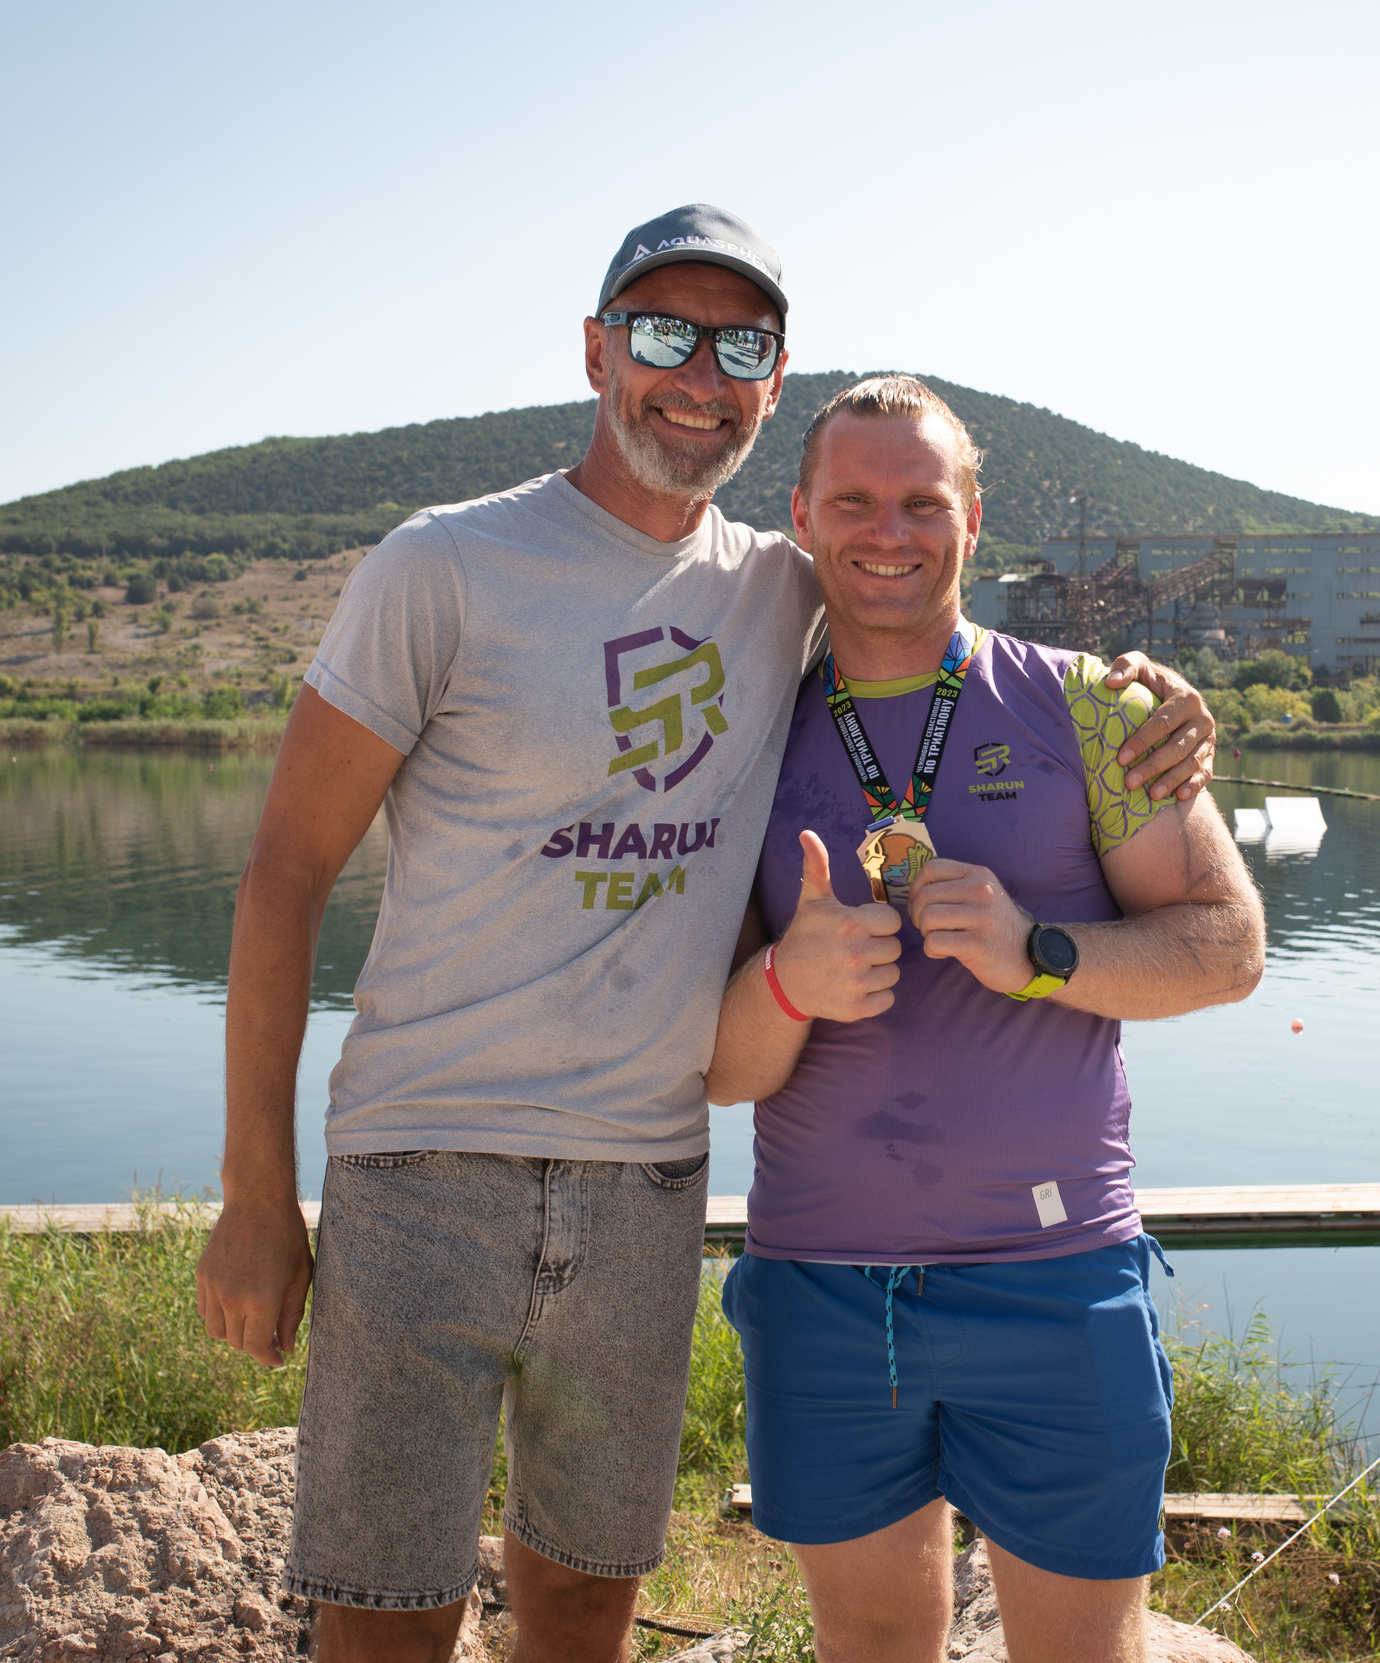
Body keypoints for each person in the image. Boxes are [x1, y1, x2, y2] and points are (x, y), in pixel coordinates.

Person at [191, 206, 1220, 1663]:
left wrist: (1146, 707)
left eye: (739, 344)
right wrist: (253, 1189)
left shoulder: (779, 585)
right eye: (666, 333)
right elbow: (285, 871)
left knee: (583, 1598)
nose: (697, 373)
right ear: (600, 351)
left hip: (642, 1177)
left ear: (772, 377)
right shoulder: (445, 567)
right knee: (383, 1609)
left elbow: (921, 607)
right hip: (424, 1161)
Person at [705, 376, 1266, 1663]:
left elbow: (1229, 952)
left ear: (972, 518)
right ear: (799, 514)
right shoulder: (737, 734)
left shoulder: (1093, 706)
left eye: (919, 500)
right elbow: (723, 1074)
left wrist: (1039, 952)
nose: (885, 529)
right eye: (852, 499)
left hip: (1054, 1282)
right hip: (821, 1288)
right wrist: (791, 982)